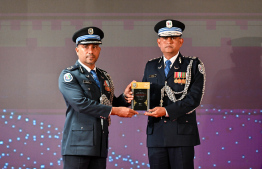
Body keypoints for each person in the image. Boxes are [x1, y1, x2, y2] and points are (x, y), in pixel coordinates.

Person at [58, 26, 138, 169]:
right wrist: (115, 111)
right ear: (77, 50)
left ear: (99, 50)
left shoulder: (103, 76)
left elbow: (108, 102)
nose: (90, 51)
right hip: (78, 146)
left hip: (99, 145)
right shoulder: (69, 75)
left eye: (95, 47)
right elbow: (81, 104)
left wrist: (125, 98)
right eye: (85, 46)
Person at [142, 19, 206, 169]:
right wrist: (130, 96)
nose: (169, 41)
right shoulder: (150, 66)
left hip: (181, 134)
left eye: (173, 37)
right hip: (156, 134)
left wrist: (166, 111)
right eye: (165, 38)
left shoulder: (193, 65)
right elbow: (145, 97)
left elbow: (194, 99)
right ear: (159, 42)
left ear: (181, 41)